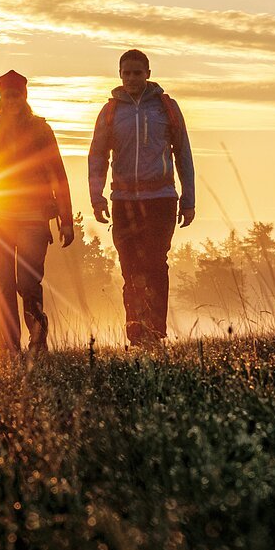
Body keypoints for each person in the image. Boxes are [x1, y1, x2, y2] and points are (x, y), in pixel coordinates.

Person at [88, 49, 195, 349]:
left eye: (138, 72)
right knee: (130, 269)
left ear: (148, 73)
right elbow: (97, 155)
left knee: (155, 265)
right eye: (127, 73)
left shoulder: (166, 108)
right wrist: (96, 197)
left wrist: (189, 199)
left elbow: (183, 153)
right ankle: (137, 335)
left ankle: (155, 335)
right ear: (120, 74)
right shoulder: (110, 112)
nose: (132, 78)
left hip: (161, 199)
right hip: (123, 201)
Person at [0, 70, 74, 353]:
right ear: (1, 97)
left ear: (24, 97)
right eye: (7, 95)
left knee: (28, 283)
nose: (12, 100)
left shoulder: (41, 130)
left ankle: (38, 340)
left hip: (34, 218)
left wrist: (67, 220)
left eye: (17, 95)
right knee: (3, 286)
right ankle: (8, 348)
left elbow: (59, 175)